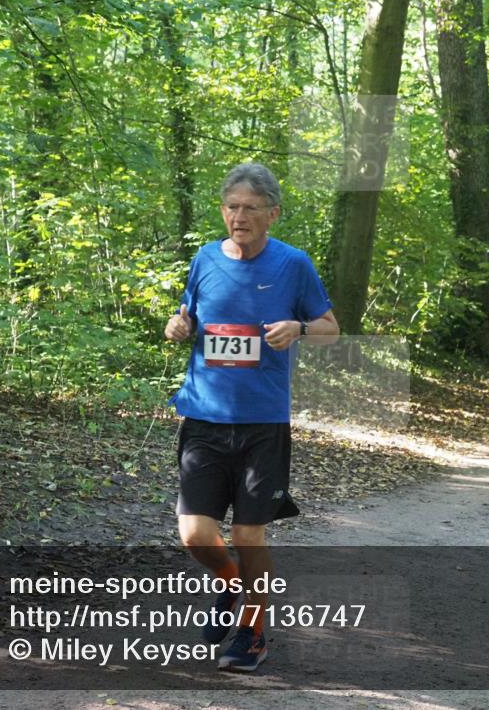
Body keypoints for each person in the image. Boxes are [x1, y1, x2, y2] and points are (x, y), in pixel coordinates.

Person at [164, 163, 339, 672]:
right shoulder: (203, 259)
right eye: (232, 207)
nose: (239, 217)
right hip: (203, 417)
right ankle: (231, 585)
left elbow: (331, 327)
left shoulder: (293, 264)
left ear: (272, 214)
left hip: (263, 423)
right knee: (196, 536)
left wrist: (300, 329)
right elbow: (189, 314)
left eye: (250, 208)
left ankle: (252, 631)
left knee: (248, 536)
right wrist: (179, 324)